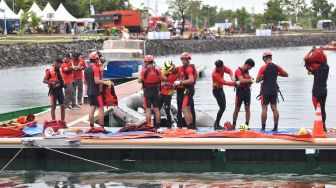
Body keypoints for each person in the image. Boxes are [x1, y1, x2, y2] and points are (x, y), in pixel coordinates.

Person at [256, 50, 288, 132]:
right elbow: (286, 74)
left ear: (264, 58)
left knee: (264, 109)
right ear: (271, 58)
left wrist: (262, 77)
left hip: (265, 90)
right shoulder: (277, 67)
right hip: (274, 90)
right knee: (274, 109)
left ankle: (263, 128)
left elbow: (257, 80)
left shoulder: (263, 68)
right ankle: (275, 127)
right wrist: (277, 74)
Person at [303, 46, 329, 132]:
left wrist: (311, 50)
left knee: (317, 109)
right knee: (323, 108)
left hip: (316, 91)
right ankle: (324, 126)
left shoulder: (315, 66)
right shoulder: (326, 67)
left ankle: (319, 127)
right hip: (324, 90)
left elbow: (305, 59)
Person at [138, 55, 167, 128]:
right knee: (156, 109)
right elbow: (164, 78)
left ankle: (149, 126)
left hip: (147, 91)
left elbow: (139, 81)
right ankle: (158, 126)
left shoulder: (144, 71)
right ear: (153, 61)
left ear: (146, 62)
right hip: (156, 91)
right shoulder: (157, 70)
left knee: (148, 109)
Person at [84, 52, 111, 128]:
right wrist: (105, 82)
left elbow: (85, 82)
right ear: (96, 60)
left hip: (89, 91)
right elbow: (97, 81)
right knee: (101, 109)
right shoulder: (95, 68)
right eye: (98, 59)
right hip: (96, 92)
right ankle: (101, 128)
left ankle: (91, 127)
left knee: (92, 108)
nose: (98, 60)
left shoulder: (86, 69)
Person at [212, 60, 238, 130]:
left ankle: (216, 124)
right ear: (217, 67)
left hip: (221, 90)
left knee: (223, 107)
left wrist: (232, 78)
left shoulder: (223, 67)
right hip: (216, 91)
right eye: (220, 68)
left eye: (222, 67)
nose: (222, 69)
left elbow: (229, 71)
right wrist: (235, 84)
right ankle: (216, 125)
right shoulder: (214, 74)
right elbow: (225, 82)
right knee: (222, 108)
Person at [174, 52, 197, 129]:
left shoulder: (188, 68)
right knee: (188, 108)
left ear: (188, 60)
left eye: (184, 59)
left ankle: (189, 127)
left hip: (188, 90)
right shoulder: (186, 67)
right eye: (182, 59)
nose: (182, 61)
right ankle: (191, 126)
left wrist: (180, 82)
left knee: (184, 108)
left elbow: (191, 80)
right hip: (188, 90)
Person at [232, 59, 255, 128]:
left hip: (247, 91)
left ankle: (246, 125)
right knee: (237, 109)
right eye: (250, 67)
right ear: (247, 65)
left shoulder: (247, 71)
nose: (250, 69)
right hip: (240, 91)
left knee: (247, 109)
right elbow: (242, 80)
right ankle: (234, 125)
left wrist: (251, 81)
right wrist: (250, 80)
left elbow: (252, 79)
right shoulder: (238, 71)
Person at [160, 60, 180, 128]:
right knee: (157, 108)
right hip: (161, 93)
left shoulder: (176, 73)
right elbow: (159, 83)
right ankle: (156, 126)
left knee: (167, 110)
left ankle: (169, 126)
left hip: (168, 94)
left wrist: (170, 85)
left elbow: (175, 86)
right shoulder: (162, 71)